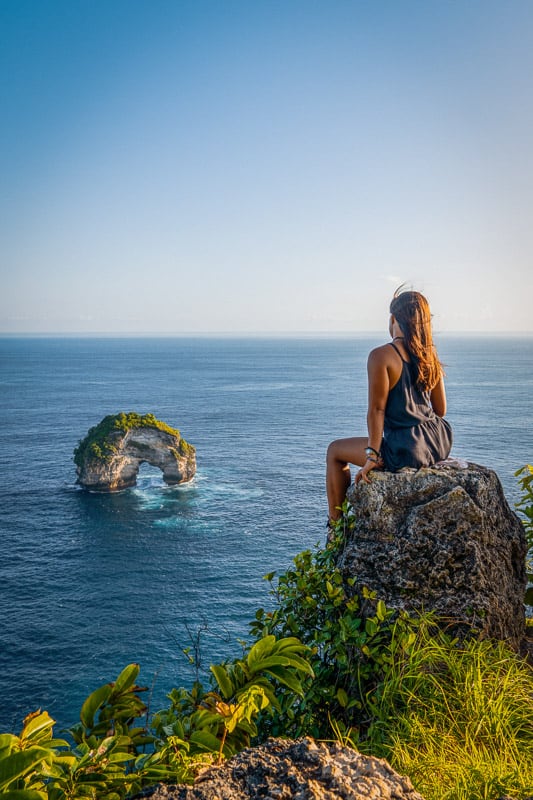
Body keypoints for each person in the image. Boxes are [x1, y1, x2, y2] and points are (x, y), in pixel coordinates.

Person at [326, 288, 452, 523]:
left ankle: (335, 526)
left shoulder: (381, 355)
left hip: (405, 449)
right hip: (438, 442)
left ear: (393, 319)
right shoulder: (429, 355)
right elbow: (440, 410)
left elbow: (377, 410)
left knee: (335, 451)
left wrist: (372, 456)